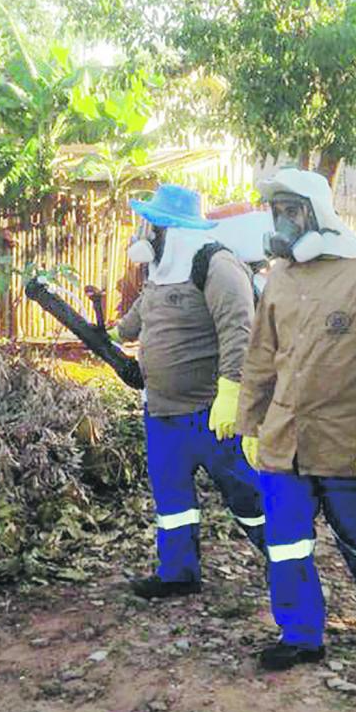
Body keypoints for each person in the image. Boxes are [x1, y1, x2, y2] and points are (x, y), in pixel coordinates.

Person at [236, 168, 356, 670]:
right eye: (277, 213)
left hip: (346, 437)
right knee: (286, 541)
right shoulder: (280, 277)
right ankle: (301, 634)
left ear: (316, 212)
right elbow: (259, 355)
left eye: (292, 212)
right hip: (284, 436)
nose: (283, 222)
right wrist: (248, 421)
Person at [112, 184, 267, 598]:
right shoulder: (161, 272)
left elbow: (239, 329)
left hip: (209, 411)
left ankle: (282, 552)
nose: (145, 234)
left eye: (152, 226)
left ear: (171, 229)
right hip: (161, 411)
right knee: (171, 496)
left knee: (245, 491)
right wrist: (106, 332)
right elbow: (133, 323)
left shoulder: (216, 265)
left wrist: (230, 393)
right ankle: (178, 571)